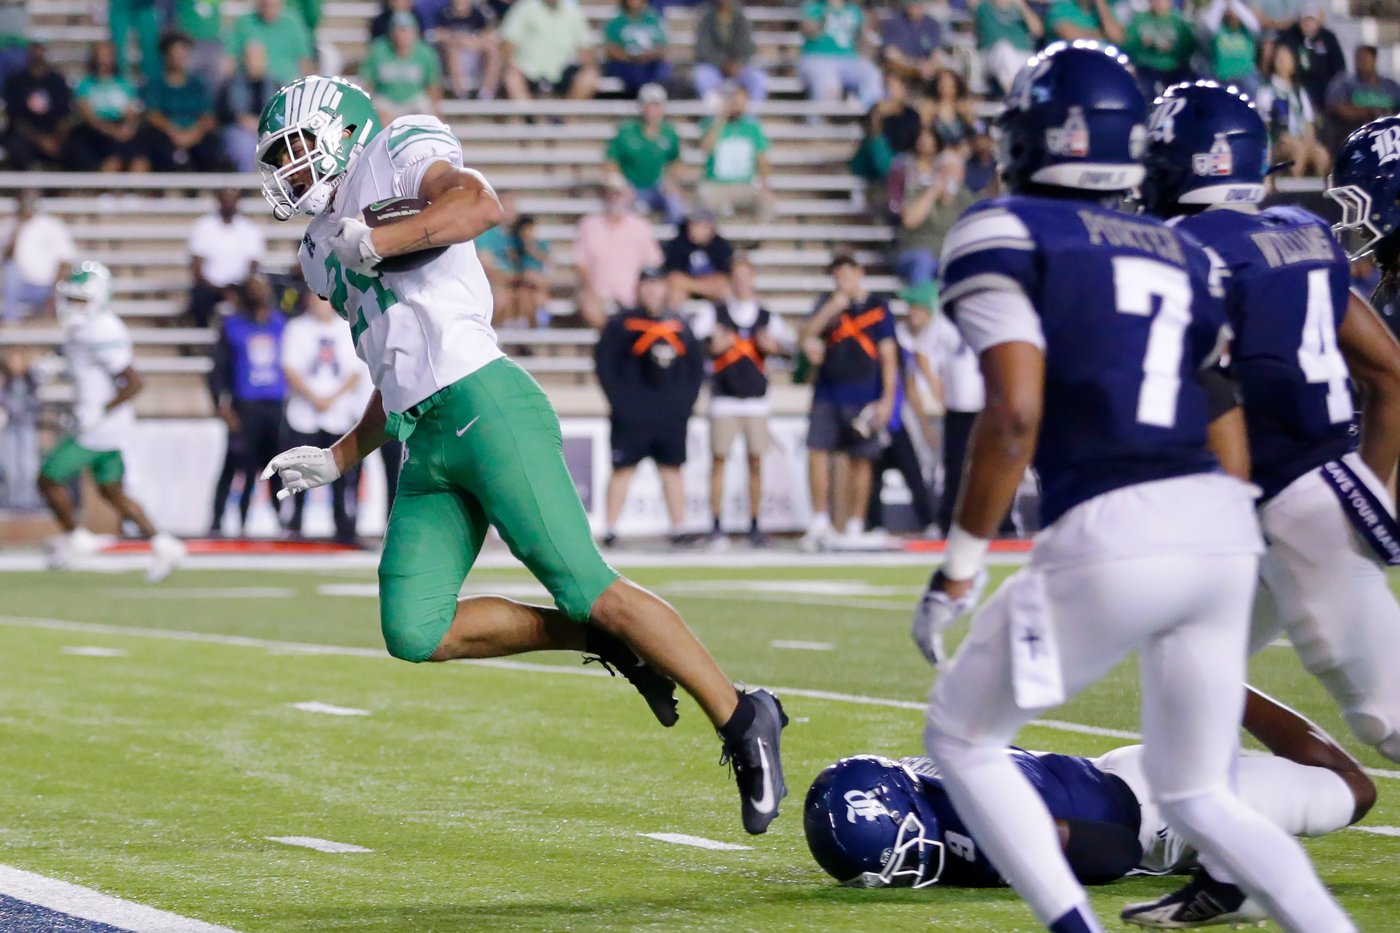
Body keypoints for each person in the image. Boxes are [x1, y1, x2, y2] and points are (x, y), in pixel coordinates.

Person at [254, 75, 788, 834]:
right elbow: (389, 360)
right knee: (415, 628)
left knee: (588, 584)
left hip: (485, 402)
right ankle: (615, 644)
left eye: (295, 147)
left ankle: (743, 717)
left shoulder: (396, 148)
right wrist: (342, 454)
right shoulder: (315, 249)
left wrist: (379, 238)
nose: (287, 168)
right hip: (425, 435)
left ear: (340, 130)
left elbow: (477, 206)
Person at [912, 43, 1352, 933]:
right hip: (1224, 527)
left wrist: (957, 567)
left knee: (962, 738)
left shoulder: (1005, 229)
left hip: (1116, 520)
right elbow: (1221, 416)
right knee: (1199, 792)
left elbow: (1013, 414)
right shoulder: (1180, 249)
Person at [1136, 82, 1400, 923]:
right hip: (1278, 503)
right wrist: (1371, 490)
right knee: (1188, 671)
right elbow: (1388, 370)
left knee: (1388, 711)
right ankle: (1235, 863)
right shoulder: (1304, 236)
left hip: (1286, 503)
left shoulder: (1183, 251)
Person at [805, 686, 1375, 912]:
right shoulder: (926, 781)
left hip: (1167, 813)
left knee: (1353, 788)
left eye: (906, 847)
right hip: (1120, 773)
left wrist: (1033, 840)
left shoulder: (969, 825)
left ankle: (1221, 680)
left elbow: (1116, 852)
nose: (915, 862)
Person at [37, 262, 186, 581]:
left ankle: (76, 539)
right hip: (106, 425)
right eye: (72, 299)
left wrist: (100, 410)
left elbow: (133, 381)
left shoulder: (102, 329)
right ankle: (163, 543)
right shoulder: (83, 328)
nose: (75, 306)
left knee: (48, 477)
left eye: (81, 300)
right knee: (111, 492)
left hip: (100, 428)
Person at [595, 267, 705, 547]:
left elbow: (695, 368)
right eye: (647, 285)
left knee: (672, 469)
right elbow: (605, 365)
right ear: (639, 288)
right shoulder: (621, 324)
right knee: (623, 469)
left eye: (657, 285)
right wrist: (620, 403)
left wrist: (684, 404)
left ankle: (679, 528)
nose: (652, 291)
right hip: (632, 414)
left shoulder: (680, 324)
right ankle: (610, 529)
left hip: (670, 414)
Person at [798, 255, 898, 551]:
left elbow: (888, 355)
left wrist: (888, 398)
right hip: (828, 391)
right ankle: (819, 521)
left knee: (861, 459)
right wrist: (831, 308)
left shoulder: (877, 307)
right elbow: (803, 335)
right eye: (836, 276)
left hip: (863, 392)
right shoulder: (826, 304)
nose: (841, 282)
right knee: (817, 452)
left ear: (859, 273)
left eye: (846, 275)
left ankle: (856, 523)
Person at [691, 258, 789, 548]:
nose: (742, 284)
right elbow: (694, 346)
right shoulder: (714, 313)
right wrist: (712, 348)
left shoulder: (767, 317)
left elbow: (788, 350)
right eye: (737, 277)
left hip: (756, 401)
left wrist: (775, 348)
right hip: (724, 399)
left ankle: (755, 524)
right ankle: (716, 524)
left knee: (756, 462)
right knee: (719, 460)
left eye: (747, 277)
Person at [281, 294, 366, 543]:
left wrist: (332, 397)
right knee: (299, 473)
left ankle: (343, 526)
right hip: (305, 412)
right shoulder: (297, 329)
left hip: (338, 413)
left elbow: (355, 371)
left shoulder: (346, 329)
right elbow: (290, 368)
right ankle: (295, 523)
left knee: (341, 475)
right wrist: (313, 396)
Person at [208, 275, 287, 536]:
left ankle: (279, 520)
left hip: (275, 406)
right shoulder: (232, 326)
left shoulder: (281, 323)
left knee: (276, 466)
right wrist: (221, 405)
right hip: (246, 406)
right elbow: (217, 370)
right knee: (235, 464)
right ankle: (218, 521)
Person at [572, 180, 664, 329]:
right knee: (589, 303)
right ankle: (612, 337)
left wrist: (642, 288)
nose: (615, 198)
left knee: (655, 295)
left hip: (634, 291)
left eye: (619, 194)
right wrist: (590, 287)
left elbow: (653, 262)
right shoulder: (589, 225)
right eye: (611, 193)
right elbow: (580, 263)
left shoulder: (640, 226)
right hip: (599, 290)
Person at [142, 32, 224, 172]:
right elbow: (152, 114)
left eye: (182, 53)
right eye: (173, 53)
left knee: (211, 146)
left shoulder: (197, 84)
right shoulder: (155, 84)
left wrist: (194, 133)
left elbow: (208, 115)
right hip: (166, 134)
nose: (178, 58)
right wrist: (174, 132)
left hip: (196, 134)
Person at [605, 83, 685, 225]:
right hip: (631, 186)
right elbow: (611, 162)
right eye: (649, 105)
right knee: (618, 208)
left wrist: (670, 181)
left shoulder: (669, 132)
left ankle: (667, 244)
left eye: (656, 105)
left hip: (657, 187)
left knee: (676, 206)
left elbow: (676, 160)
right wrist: (621, 185)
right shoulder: (627, 131)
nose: (652, 110)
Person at [896, 147, 977, 286]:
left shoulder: (965, 198)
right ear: (936, 172)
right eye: (946, 171)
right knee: (923, 261)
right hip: (916, 254)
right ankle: (921, 305)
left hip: (949, 257)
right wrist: (933, 192)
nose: (951, 176)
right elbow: (909, 221)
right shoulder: (918, 190)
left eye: (955, 172)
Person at [187, 188, 266, 329]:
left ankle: (251, 331)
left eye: (232, 198)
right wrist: (221, 291)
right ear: (219, 200)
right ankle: (202, 334)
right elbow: (197, 267)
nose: (228, 202)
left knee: (257, 292)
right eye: (225, 198)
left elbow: (253, 265)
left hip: (240, 287)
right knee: (199, 297)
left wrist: (237, 289)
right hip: (210, 288)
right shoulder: (204, 227)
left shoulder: (249, 229)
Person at [696, 83, 775, 223]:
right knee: (703, 202)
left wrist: (765, 184)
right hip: (716, 184)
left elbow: (762, 159)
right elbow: (706, 148)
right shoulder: (712, 124)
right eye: (735, 101)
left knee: (767, 203)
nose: (738, 106)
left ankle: (753, 239)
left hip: (744, 184)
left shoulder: (752, 128)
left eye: (742, 102)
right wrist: (722, 117)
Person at [68, 41, 147, 173]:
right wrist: (112, 131)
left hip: (122, 128)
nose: (103, 60)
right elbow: (88, 116)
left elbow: (132, 111)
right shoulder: (85, 85)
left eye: (107, 55)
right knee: (113, 159)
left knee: (140, 159)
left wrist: (126, 128)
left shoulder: (124, 84)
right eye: (100, 56)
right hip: (97, 131)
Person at [1255, 43, 1331, 177]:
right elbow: (1264, 124)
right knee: (1298, 150)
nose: (1282, 61)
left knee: (1321, 154)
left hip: (1300, 138)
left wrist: (1310, 141)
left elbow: (1308, 122)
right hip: (1279, 141)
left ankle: (1318, 195)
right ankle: (1295, 193)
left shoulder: (1299, 91)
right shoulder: (1267, 90)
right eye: (1279, 58)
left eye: (1286, 58)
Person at [500, 0, 599, 101]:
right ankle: (528, 114)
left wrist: (588, 66)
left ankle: (567, 115)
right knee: (512, 76)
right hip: (528, 71)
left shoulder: (573, 10)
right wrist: (511, 64)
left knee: (589, 76)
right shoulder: (524, 8)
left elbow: (585, 47)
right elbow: (508, 42)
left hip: (564, 71)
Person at [2, 191, 76, 322]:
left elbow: (65, 260)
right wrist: (18, 228)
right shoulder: (9, 226)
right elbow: (7, 258)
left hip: (46, 287)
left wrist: (56, 291)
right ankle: (10, 320)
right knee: (10, 271)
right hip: (19, 287)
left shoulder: (51, 225)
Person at [798, 0, 883, 110]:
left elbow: (864, 40)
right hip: (817, 58)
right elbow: (808, 31)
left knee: (872, 74)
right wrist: (825, 14)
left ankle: (869, 114)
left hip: (849, 60)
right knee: (829, 84)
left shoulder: (854, 10)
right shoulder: (814, 7)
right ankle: (819, 122)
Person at [2, 43, 72, 171]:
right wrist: (40, 140)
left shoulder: (57, 82)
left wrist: (55, 138)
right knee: (16, 145)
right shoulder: (15, 82)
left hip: (53, 134)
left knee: (75, 145)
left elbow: (64, 116)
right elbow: (16, 118)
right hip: (25, 135)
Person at [363, 12, 444, 121]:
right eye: (397, 31)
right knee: (379, 114)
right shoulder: (379, 50)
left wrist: (435, 108)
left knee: (426, 116)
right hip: (386, 99)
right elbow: (367, 82)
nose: (401, 36)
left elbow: (433, 85)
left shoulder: (425, 53)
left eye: (405, 31)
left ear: (414, 33)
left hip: (414, 99)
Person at [1277, 1, 1345, 118]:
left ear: (1318, 21)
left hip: (1324, 90)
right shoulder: (1290, 37)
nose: (1308, 24)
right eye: (1305, 20)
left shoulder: (1328, 38)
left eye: (1311, 20)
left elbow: (1339, 68)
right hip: (1297, 88)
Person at [217, 40, 277, 173]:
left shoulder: (275, 85)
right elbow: (224, 113)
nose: (253, 62)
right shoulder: (231, 85)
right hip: (238, 129)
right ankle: (244, 189)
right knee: (243, 146)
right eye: (250, 58)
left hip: (267, 130)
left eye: (258, 58)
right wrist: (242, 119)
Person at [225, 0, 315, 87]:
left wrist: (311, 86)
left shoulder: (293, 23)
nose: (269, 8)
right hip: (250, 81)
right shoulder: (244, 23)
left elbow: (304, 61)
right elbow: (230, 59)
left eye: (273, 5)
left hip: (285, 82)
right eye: (265, 4)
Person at [1324, 45, 1400, 146]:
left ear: (1374, 59)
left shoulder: (1390, 86)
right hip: (1356, 132)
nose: (1360, 63)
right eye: (1358, 59)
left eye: (1364, 59)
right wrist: (1369, 112)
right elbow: (1336, 108)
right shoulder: (1345, 83)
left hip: (1391, 133)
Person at [692, 0, 766, 104]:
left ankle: (750, 117)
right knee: (701, 76)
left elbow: (747, 48)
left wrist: (737, 64)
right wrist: (723, 63)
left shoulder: (741, 18)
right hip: (715, 68)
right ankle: (713, 116)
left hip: (738, 67)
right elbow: (703, 50)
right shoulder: (706, 19)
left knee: (758, 78)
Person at [1122, 0, 1196, 100]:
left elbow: (1189, 47)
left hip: (1174, 68)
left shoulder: (1180, 22)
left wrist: (1172, 48)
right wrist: (1143, 45)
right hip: (1146, 67)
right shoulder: (1139, 19)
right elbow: (1128, 44)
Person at [662, 209, 733, 308]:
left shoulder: (721, 246)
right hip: (688, 290)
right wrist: (700, 284)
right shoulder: (677, 244)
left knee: (725, 291)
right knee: (675, 292)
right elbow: (674, 277)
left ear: (710, 226)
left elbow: (723, 278)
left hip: (709, 289)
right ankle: (674, 322)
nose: (692, 228)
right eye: (691, 224)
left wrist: (692, 283)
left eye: (698, 224)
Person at [433, 0, 502, 100]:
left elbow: (487, 35)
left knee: (492, 50)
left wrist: (472, 43)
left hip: (475, 56)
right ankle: (460, 92)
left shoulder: (478, 13)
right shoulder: (444, 13)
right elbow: (438, 34)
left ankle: (487, 92)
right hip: (453, 58)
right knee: (452, 49)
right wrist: (457, 39)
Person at [972, 0, 1042, 96]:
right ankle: (1014, 96)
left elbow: (1038, 31)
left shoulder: (1019, 8)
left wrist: (1022, 7)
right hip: (991, 55)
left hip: (1022, 54)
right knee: (1003, 50)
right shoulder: (983, 6)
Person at [602, 0, 669, 99]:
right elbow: (611, 50)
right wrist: (632, 57)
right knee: (635, 72)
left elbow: (663, 47)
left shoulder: (653, 19)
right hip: (625, 63)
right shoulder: (616, 22)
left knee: (663, 70)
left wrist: (648, 55)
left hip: (650, 63)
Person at [1200, 0, 1260, 96]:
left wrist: (1233, 3)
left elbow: (1253, 23)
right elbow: (1210, 25)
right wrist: (1221, 2)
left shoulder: (1247, 31)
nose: (1232, 14)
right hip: (1221, 80)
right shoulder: (1218, 30)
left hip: (1245, 80)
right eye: (1229, 11)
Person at [880, 0, 945, 85]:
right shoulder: (892, 23)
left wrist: (929, 64)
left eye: (919, 4)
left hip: (927, 67)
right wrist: (914, 65)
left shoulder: (932, 24)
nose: (915, 8)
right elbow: (891, 53)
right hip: (903, 67)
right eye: (912, 4)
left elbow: (936, 52)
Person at [1043, 0, 1123, 45]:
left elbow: (1117, 37)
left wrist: (1100, 3)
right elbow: (1072, 37)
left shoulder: (1107, 12)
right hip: (1071, 64)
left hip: (1101, 65)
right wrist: (1104, 35)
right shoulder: (1061, 7)